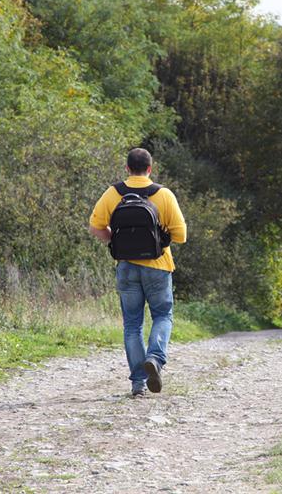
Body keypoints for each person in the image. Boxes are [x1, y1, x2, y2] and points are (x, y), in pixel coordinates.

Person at [88, 148, 187, 396]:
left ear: (127, 169)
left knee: (132, 325)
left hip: (126, 267)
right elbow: (181, 236)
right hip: (158, 266)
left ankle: (138, 384)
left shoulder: (114, 193)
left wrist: (116, 242)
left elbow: (96, 227)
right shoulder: (163, 195)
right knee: (163, 316)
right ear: (150, 169)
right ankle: (154, 357)